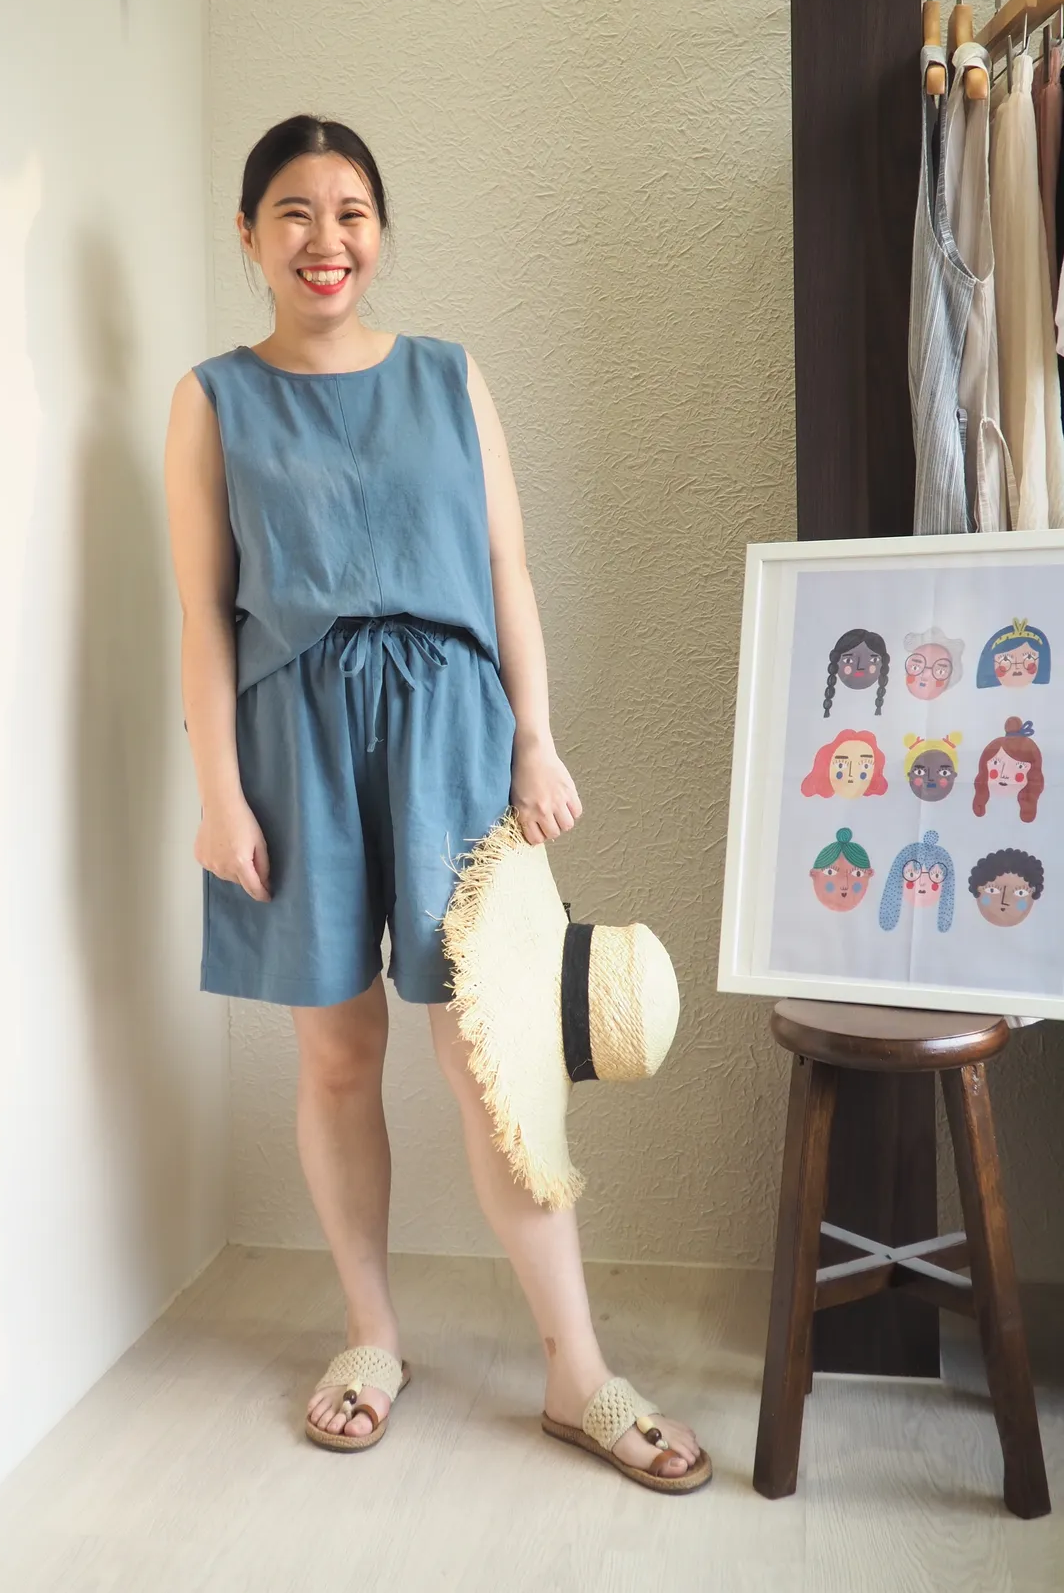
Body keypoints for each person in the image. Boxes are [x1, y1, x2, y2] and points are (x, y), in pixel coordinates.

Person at [163, 114, 705, 1487]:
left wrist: (537, 740)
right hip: (295, 746)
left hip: (456, 736)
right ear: (248, 236)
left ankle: (577, 1369)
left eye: (350, 212)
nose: (325, 239)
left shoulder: (450, 377)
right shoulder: (213, 398)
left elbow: (508, 572)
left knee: (495, 1056)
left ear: (380, 234)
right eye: (294, 212)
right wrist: (219, 793)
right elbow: (204, 616)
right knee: (338, 1058)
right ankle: (371, 1338)